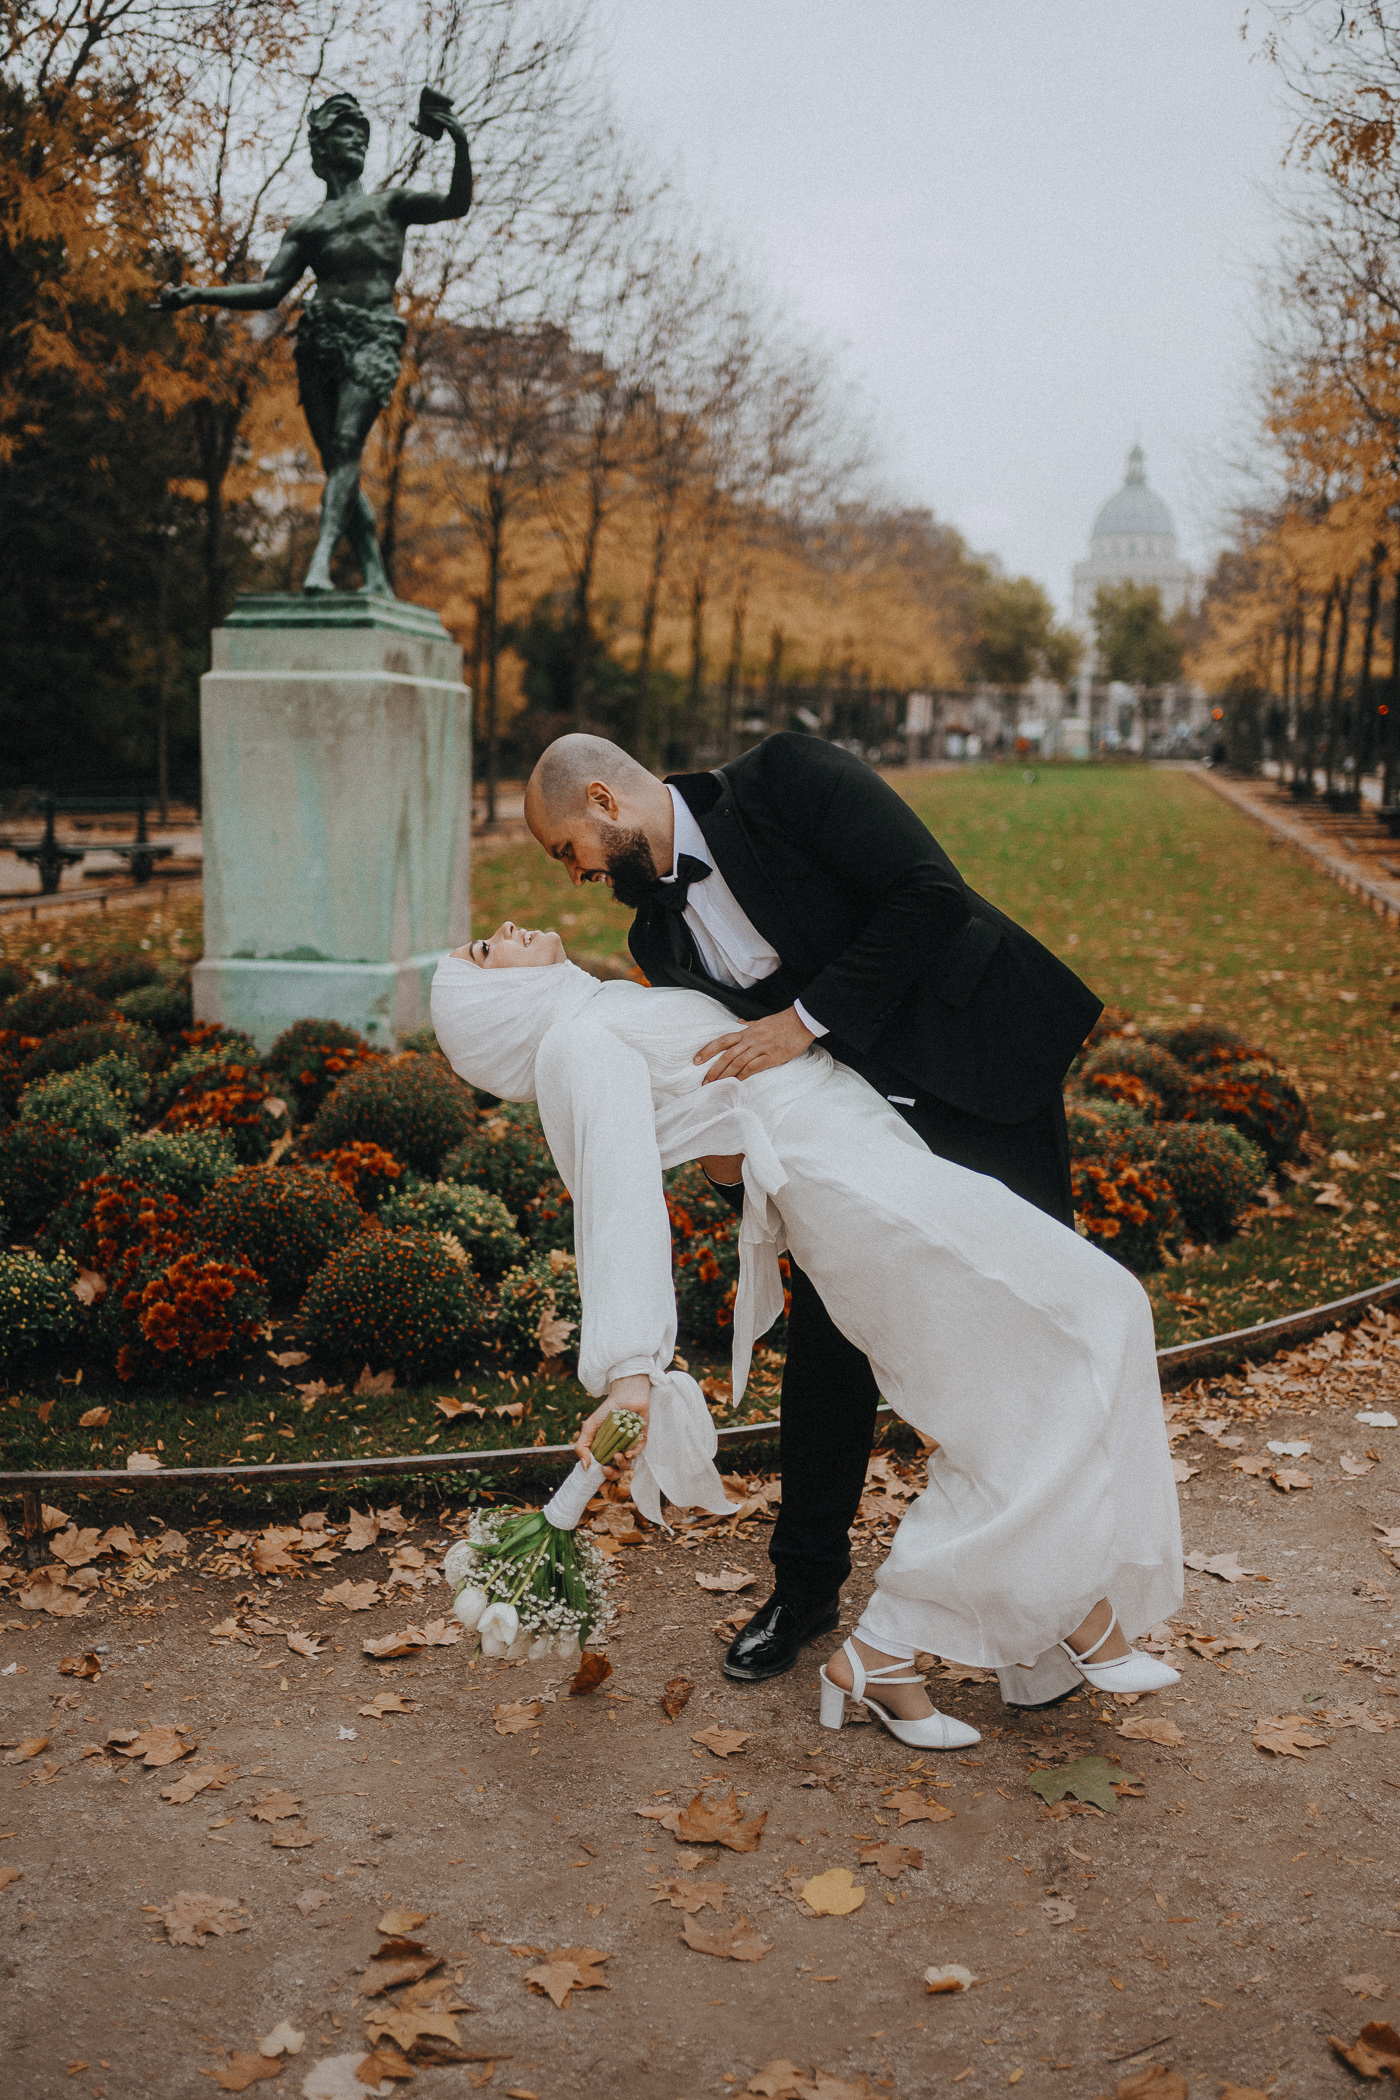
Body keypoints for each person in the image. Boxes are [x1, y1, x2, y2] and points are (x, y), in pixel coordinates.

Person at [430, 927, 1182, 1748]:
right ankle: (1043, 1625)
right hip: (849, 1186)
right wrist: (630, 1372)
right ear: (498, 1007)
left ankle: (909, 1649)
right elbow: (617, 1202)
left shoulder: (600, 1010)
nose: (501, 934)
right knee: (1094, 1309)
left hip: (869, 1160)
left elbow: (710, 1120)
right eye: (483, 953)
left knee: (1018, 1378)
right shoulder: (579, 1041)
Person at [523, 732, 1103, 1688]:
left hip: (976, 1061)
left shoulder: (787, 778)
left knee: (1030, 1325)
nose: (576, 875)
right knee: (829, 1349)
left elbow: (929, 896)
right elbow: (723, 1076)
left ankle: (1047, 1607)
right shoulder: (654, 940)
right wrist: (733, 1171)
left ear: (604, 800)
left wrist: (799, 1025)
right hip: (852, 1131)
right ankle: (803, 1592)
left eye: (566, 850)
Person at [158, 92, 473, 596]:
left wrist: (457, 139)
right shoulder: (308, 227)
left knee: (348, 444)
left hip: (374, 336)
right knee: (337, 463)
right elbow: (268, 291)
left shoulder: (391, 206)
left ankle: (319, 562)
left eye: (362, 136)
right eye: (347, 134)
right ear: (324, 148)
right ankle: (375, 575)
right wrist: (199, 293)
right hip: (319, 341)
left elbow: (456, 204)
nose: (358, 143)